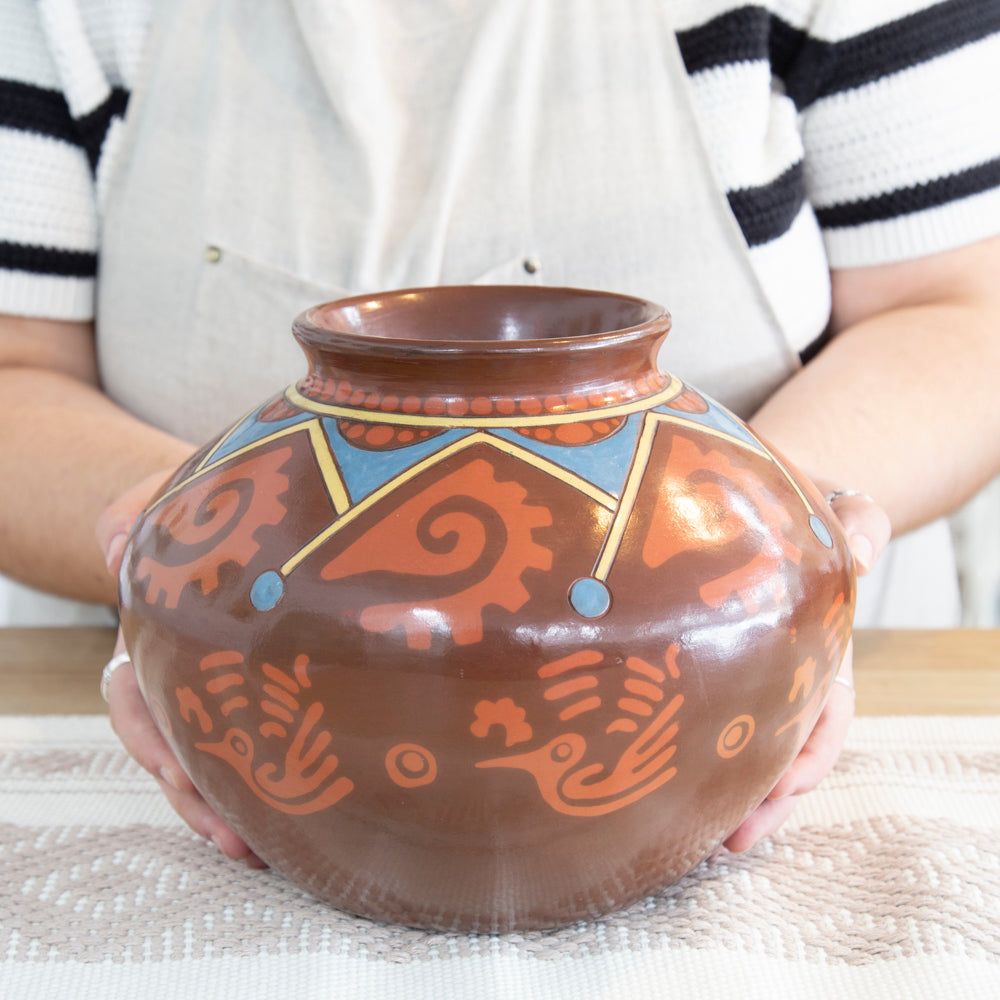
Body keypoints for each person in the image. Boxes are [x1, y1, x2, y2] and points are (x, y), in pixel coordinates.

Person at [2, 0, 998, 867]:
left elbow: (960, 309)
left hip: (753, 693)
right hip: (232, 702)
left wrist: (786, 536)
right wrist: (171, 539)